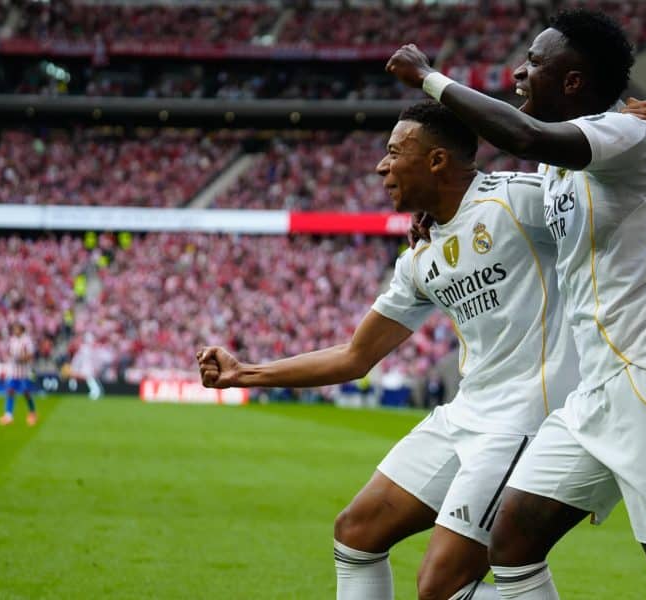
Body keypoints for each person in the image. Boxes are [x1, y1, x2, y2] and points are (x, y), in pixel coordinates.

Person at [386, 9, 646, 600]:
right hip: (591, 397)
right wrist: (444, 215)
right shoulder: (558, 167)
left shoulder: (624, 131)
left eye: (535, 63)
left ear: (573, 82)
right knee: (511, 544)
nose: (519, 72)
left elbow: (523, 135)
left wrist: (429, 80)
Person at [198, 100, 585, 600]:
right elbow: (355, 356)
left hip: (527, 418)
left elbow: (607, 201)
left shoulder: (517, 201)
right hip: (467, 413)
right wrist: (244, 373)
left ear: (437, 160)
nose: (381, 166)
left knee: (441, 587)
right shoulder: (419, 256)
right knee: (356, 533)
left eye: (394, 152)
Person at [0, 323, 38, 426]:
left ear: (21, 329)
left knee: (26, 393)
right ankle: (8, 415)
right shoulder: (13, 340)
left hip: (24, 372)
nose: (15, 330)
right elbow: (10, 353)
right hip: (14, 371)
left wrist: (21, 358)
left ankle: (32, 413)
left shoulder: (27, 340)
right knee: (10, 391)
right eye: (14, 329)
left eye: (17, 329)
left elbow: (30, 355)